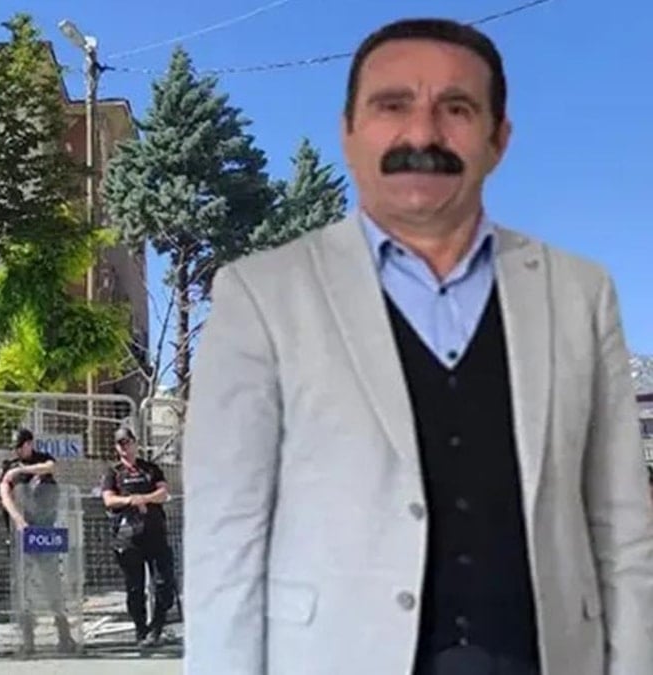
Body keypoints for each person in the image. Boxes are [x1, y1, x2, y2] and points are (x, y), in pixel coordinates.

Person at [183, 17, 653, 675]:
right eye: (392, 105)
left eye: (456, 109)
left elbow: (623, 530)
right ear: (349, 132)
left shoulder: (580, 293)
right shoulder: (261, 296)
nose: (423, 134)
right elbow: (224, 540)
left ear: (499, 139)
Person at [0, 428, 75, 655]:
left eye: (21, 446)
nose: (18, 451)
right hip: (23, 534)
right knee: (23, 588)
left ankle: (64, 636)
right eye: (15, 447)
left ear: (29, 444)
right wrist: (19, 520)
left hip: (46, 532)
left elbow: (50, 467)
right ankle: (28, 639)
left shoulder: (41, 460)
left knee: (52, 585)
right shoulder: (8, 467)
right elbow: (5, 494)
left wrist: (23, 470)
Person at [99, 426, 176, 647]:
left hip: (155, 534)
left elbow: (163, 493)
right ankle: (141, 630)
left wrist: (144, 498)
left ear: (135, 443)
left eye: (128, 442)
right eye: (120, 443)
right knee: (135, 587)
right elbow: (109, 500)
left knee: (164, 583)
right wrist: (130, 500)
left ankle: (157, 627)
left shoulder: (150, 469)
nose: (125, 447)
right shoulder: (113, 473)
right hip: (128, 537)